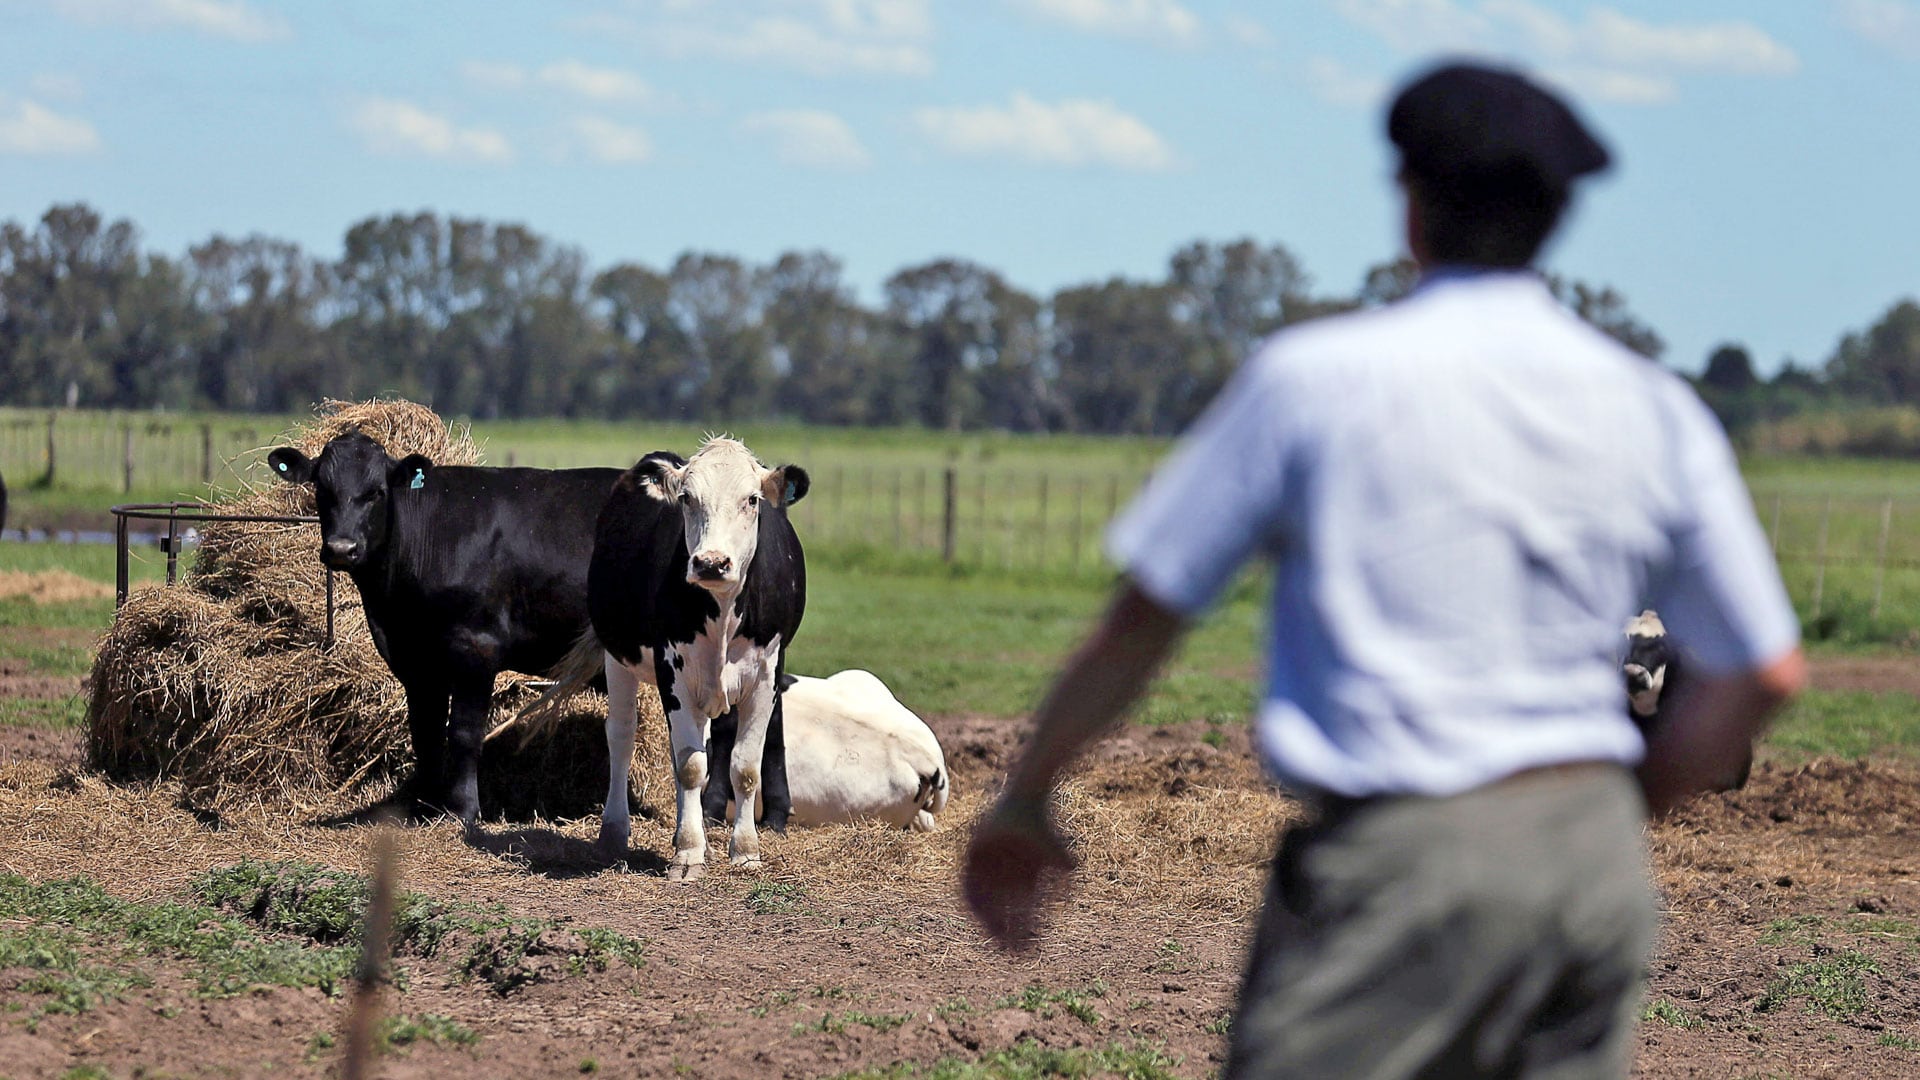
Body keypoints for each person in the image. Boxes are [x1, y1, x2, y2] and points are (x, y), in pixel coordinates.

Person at [961, 60, 1805, 1079]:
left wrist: (1027, 796)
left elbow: (1146, 617)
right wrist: (1619, 817)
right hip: (1592, 869)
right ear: (1556, 220)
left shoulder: (1315, 382)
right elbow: (1765, 669)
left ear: (1410, 208)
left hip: (1404, 858)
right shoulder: (1654, 407)